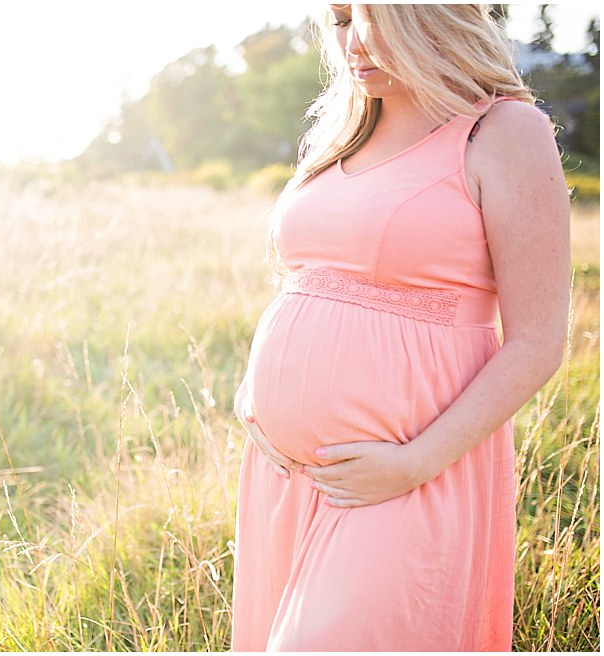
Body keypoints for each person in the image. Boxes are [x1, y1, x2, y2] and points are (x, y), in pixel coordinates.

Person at [230, 4, 570, 651]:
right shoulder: (343, 132)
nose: (352, 41)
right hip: (284, 475)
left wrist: (414, 464)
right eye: (338, 18)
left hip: (403, 475)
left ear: (431, 18)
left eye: (373, 17)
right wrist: (254, 392)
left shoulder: (501, 132)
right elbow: (304, 280)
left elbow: (538, 342)